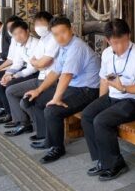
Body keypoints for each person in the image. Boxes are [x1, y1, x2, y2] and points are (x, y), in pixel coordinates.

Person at [82, 19, 135, 181]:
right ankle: (101, 159)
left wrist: (124, 88)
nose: (119, 47)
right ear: (108, 41)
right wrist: (100, 102)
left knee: (101, 121)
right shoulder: (107, 54)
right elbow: (103, 79)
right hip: (115, 96)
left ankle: (115, 163)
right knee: (88, 114)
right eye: (114, 43)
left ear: (128, 36)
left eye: (122, 42)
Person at [23, 16, 100, 164]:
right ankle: (48, 138)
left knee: (52, 110)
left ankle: (56, 148)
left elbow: (66, 75)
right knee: (35, 100)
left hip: (88, 90)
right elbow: (55, 72)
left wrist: (56, 98)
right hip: (74, 87)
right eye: (56, 34)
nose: (60, 37)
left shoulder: (76, 47)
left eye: (63, 32)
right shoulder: (63, 47)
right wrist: (38, 91)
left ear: (71, 29)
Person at [6, 11, 58, 138]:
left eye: (42, 23)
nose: (39, 27)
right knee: (10, 90)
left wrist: (37, 63)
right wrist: (9, 73)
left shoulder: (54, 39)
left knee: (27, 101)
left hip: (50, 80)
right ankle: (24, 123)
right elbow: (35, 61)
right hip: (41, 77)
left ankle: (40, 129)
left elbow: (41, 63)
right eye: (36, 24)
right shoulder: (42, 39)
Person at [0, 21, 39, 122]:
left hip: (36, 73)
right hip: (26, 71)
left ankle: (21, 120)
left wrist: (14, 77)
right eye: (15, 34)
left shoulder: (36, 43)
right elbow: (17, 63)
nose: (18, 36)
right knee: (0, 82)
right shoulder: (20, 45)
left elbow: (34, 68)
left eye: (20, 32)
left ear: (27, 31)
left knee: (9, 85)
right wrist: (7, 74)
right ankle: (10, 114)